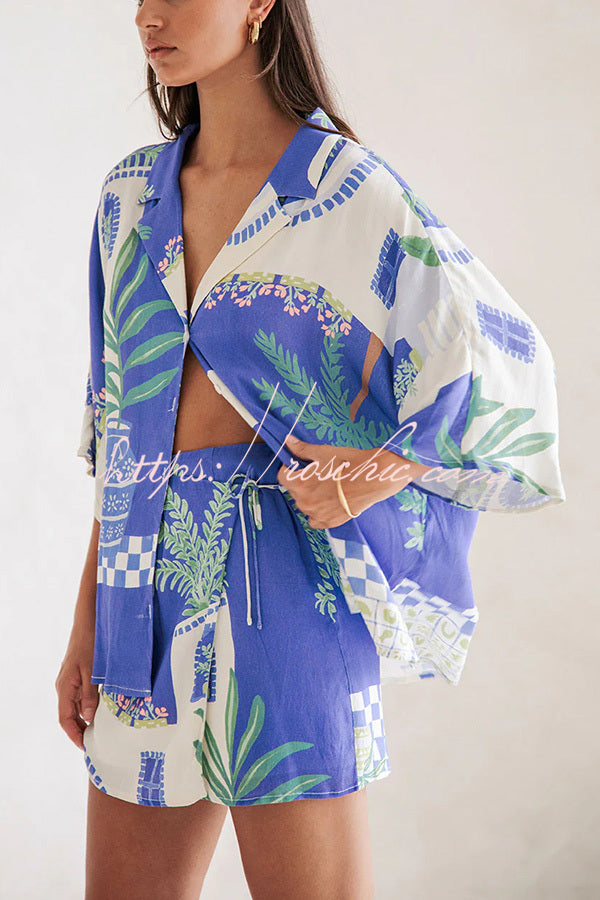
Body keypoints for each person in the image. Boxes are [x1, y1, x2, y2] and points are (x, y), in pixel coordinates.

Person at [55, 1, 566, 898]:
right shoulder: (128, 197)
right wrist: (85, 620)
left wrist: (379, 471)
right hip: (140, 594)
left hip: (287, 591)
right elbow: (118, 424)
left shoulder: (346, 189)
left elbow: (497, 358)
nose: (147, 14)